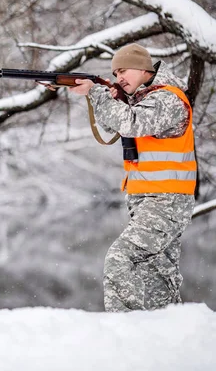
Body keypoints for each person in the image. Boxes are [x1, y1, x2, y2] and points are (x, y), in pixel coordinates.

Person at [68, 43, 196, 312]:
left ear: (143, 68)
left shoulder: (167, 99)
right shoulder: (144, 99)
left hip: (166, 201)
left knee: (120, 258)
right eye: (115, 74)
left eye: (123, 71)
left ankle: (124, 331)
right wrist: (99, 97)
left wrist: (98, 93)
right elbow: (115, 122)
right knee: (160, 272)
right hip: (151, 200)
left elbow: (131, 123)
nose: (118, 78)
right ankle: (169, 330)